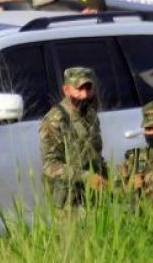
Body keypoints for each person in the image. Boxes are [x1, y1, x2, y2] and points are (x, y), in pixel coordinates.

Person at [39, 67, 107, 208]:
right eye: (79, 89)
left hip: (94, 197)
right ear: (66, 90)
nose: (84, 94)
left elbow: (95, 155)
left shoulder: (90, 114)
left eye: (88, 89)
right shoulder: (55, 120)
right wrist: (84, 176)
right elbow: (50, 166)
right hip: (69, 202)